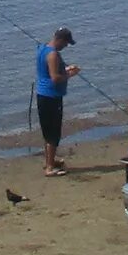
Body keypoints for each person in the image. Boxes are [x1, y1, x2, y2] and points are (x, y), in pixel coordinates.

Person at [33, 27, 75, 175]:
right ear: (60, 40)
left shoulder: (42, 48)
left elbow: (51, 70)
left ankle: (49, 161)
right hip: (51, 96)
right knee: (53, 132)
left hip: (43, 95)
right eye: (66, 43)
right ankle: (50, 168)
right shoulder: (53, 55)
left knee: (47, 130)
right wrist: (70, 74)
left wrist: (66, 69)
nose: (66, 46)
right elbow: (55, 78)